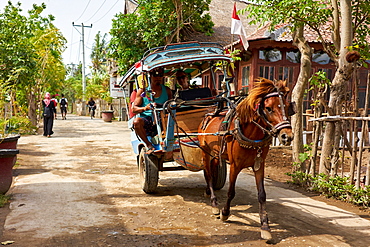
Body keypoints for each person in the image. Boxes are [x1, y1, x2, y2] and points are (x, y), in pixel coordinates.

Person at [132, 68, 172, 154]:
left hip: (163, 118)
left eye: (160, 75)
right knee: (136, 122)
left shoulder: (167, 90)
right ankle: (149, 145)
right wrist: (145, 108)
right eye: (155, 75)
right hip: (148, 119)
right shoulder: (142, 91)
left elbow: (171, 104)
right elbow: (134, 109)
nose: (158, 78)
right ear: (150, 76)